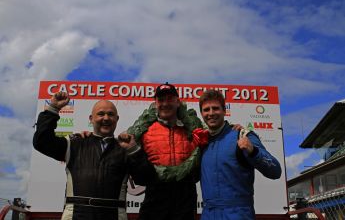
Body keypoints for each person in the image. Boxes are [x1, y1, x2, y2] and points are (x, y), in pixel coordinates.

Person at [33, 91, 156, 220]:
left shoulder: (126, 148)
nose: (106, 118)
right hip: (76, 215)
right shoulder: (74, 143)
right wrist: (53, 109)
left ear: (117, 119)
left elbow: (146, 178)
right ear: (91, 119)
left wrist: (134, 150)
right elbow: (41, 142)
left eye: (111, 114)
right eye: (101, 114)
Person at [127, 83, 208, 220]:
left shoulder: (194, 129)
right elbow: (138, 171)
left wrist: (235, 128)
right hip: (155, 200)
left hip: (185, 201)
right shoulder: (145, 131)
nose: (165, 103)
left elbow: (215, 130)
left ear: (178, 102)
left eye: (170, 99)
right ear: (155, 103)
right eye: (161, 100)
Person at [198, 89, 282, 220]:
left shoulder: (241, 135)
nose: (211, 113)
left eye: (215, 108)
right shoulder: (201, 142)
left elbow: (276, 171)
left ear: (224, 110)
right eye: (206, 110)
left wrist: (253, 151)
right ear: (201, 113)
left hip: (238, 214)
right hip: (208, 214)